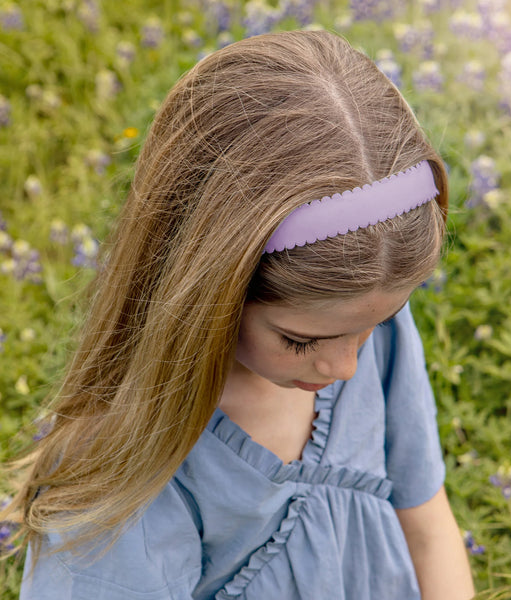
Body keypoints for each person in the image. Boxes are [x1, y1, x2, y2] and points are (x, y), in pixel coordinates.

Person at [4, 30, 474, 599]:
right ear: (210, 294)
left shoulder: (363, 327)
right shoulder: (127, 467)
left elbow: (427, 528)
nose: (348, 365)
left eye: (374, 324)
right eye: (300, 341)